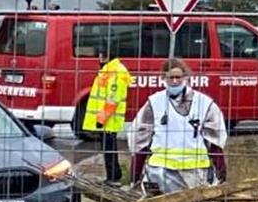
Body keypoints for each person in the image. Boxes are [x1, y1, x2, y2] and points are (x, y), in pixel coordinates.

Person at [130, 58, 228, 194]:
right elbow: (140, 142)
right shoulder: (154, 103)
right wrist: (135, 175)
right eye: (171, 77)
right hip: (160, 172)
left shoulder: (205, 104)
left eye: (178, 77)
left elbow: (216, 144)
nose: (175, 81)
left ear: (186, 77)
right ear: (164, 77)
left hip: (195, 173)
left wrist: (221, 173)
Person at [82, 52, 133, 185]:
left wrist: (101, 118)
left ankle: (114, 178)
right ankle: (112, 176)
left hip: (110, 119)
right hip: (108, 119)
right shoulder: (110, 70)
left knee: (110, 149)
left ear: (107, 56)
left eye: (101, 55)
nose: (99, 59)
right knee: (108, 149)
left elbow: (113, 98)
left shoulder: (116, 72)